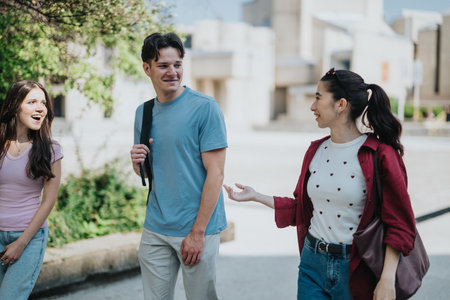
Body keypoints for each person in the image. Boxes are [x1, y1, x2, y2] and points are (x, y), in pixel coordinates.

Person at [224, 68, 416, 300]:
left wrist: (387, 280)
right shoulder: (316, 150)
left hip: (356, 269)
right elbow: (305, 209)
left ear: (341, 104)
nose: (312, 106)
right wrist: (256, 196)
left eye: (318, 98)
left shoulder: (380, 154)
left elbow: (399, 223)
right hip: (311, 264)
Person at [130, 32, 227, 300]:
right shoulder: (144, 113)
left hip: (197, 227)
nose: (172, 72)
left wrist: (197, 233)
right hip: (156, 227)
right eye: (163, 65)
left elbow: (216, 174)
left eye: (177, 64)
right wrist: (138, 163)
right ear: (147, 68)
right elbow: (150, 173)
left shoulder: (205, 108)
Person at [0, 80, 63, 299]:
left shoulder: (50, 149)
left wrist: (21, 244)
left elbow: (48, 201)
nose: (40, 108)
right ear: (15, 106)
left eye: (43, 103)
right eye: (32, 102)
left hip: (28, 237)